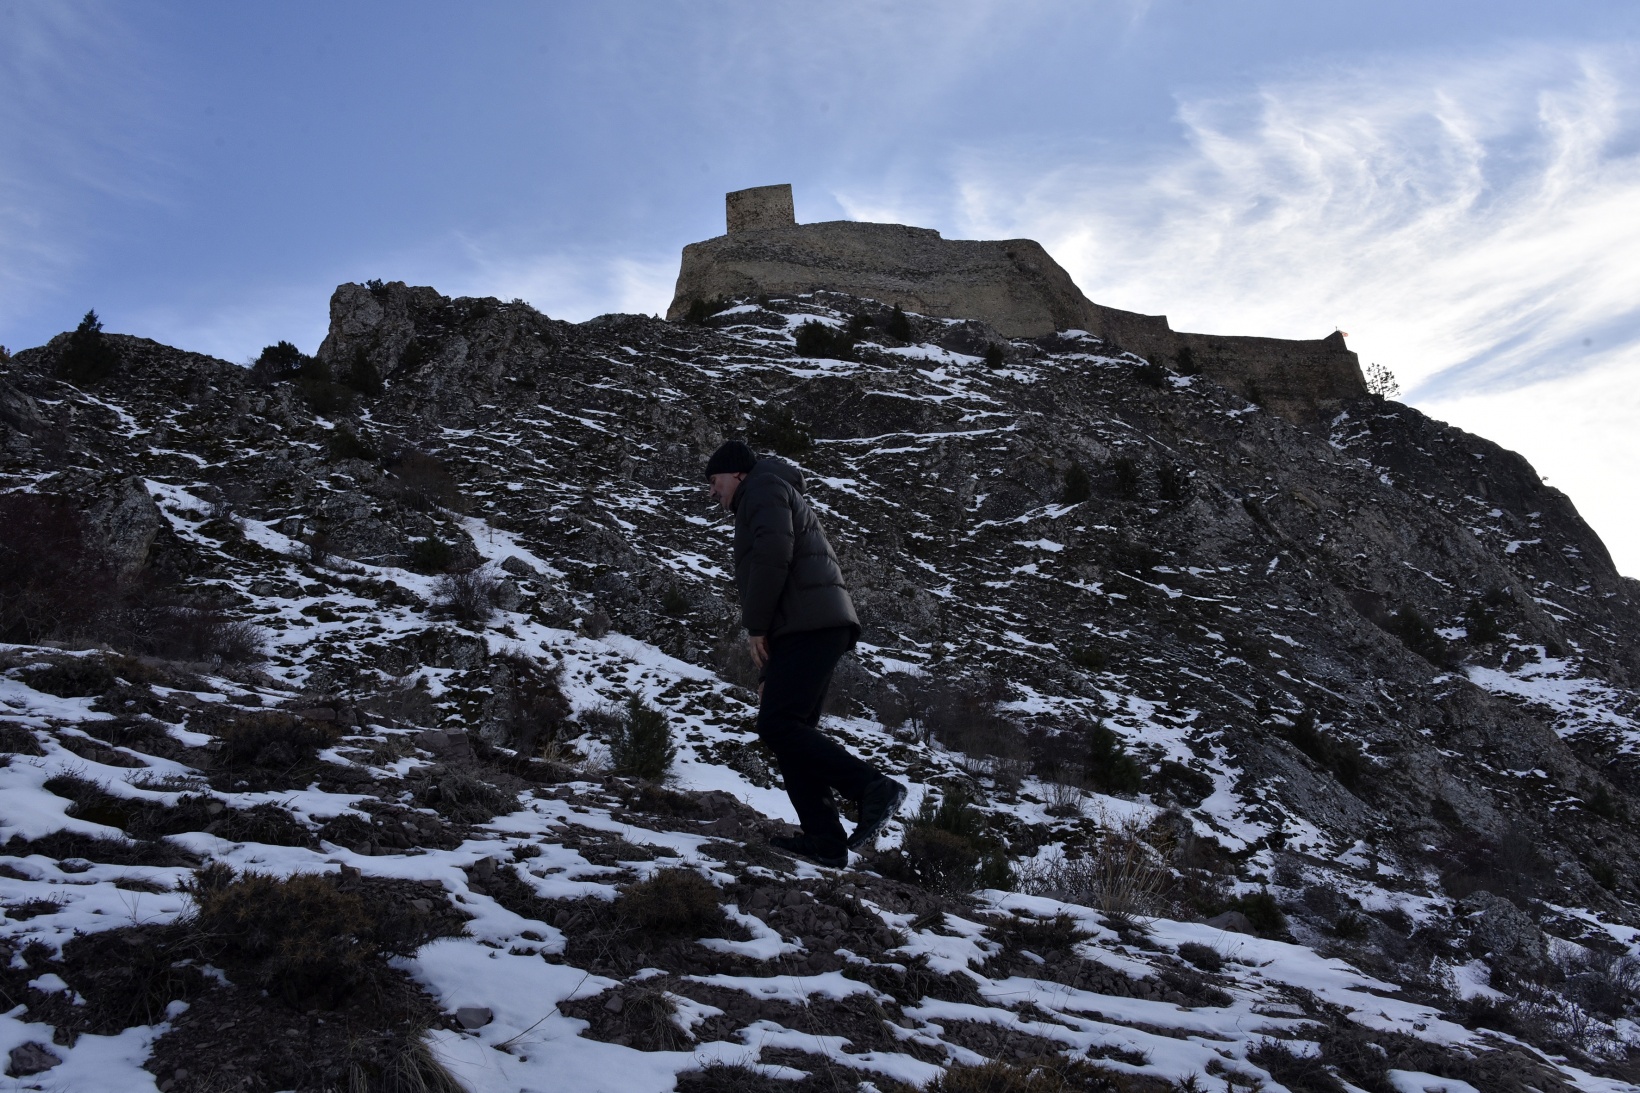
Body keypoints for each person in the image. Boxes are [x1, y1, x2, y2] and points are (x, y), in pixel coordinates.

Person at [704, 439, 906, 868]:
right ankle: (825, 841)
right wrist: (768, 674)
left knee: (778, 726)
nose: (712, 492)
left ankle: (873, 788)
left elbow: (774, 558)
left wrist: (755, 628)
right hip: (808, 626)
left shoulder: (761, 490)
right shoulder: (766, 491)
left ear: (736, 473)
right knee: (791, 732)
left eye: (715, 481)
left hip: (811, 626)